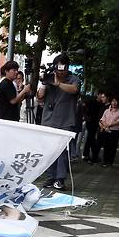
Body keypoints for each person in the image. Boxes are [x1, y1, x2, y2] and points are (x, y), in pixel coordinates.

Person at [37, 53, 81, 190]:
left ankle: (60, 178)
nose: (61, 70)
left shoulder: (74, 79)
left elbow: (74, 90)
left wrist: (58, 84)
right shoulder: (49, 78)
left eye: (63, 67)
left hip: (65, 120)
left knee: (62, 151)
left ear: (68, 67)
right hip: (48, 120)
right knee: (50, 151)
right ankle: (51, 177)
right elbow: (40, 97)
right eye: (58, 67)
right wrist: (44, 82)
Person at [98, 96, 119, 167]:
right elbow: (102, 119)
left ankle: (110, 161)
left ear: (118, 102)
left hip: (115, 131)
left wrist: (110, 125)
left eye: (116, 101)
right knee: (106, 146)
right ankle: (105, 161)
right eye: (113, 101)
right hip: (106, 130)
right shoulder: (106, 111)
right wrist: (105, 126)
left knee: (113, 146)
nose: (114, 103)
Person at [83, 92, 105, 164]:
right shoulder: (91, 101)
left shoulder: (102, 104)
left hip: (97, 123)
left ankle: (93, 155)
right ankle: (87, 154)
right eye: (101, 95)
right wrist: (86, 117)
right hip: (90, 122)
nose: (102, 97)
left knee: (92, 138)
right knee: (90, 137)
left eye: (103, 96)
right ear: (98, 95)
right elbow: (83, 105)